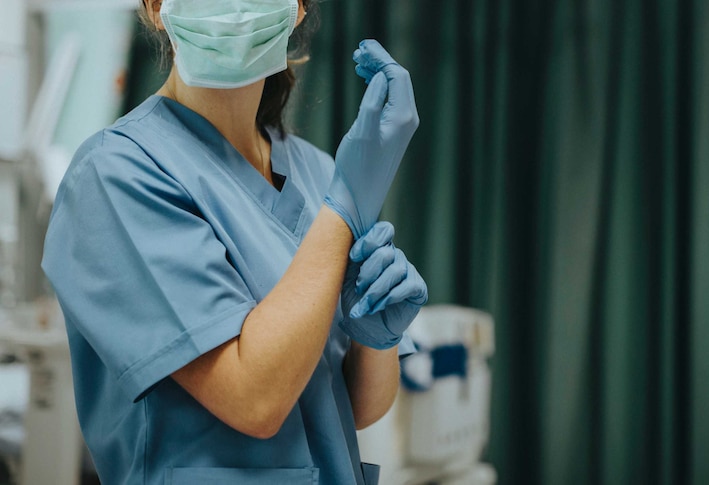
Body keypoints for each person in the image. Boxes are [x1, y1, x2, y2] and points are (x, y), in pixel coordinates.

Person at [41, 0, 427, 483]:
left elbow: (356, 408)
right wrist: (344, 207)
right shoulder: (115, 174)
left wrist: (378, 339)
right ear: (157, 7)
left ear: (299, 8)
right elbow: (256, 399)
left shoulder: (319, 174)